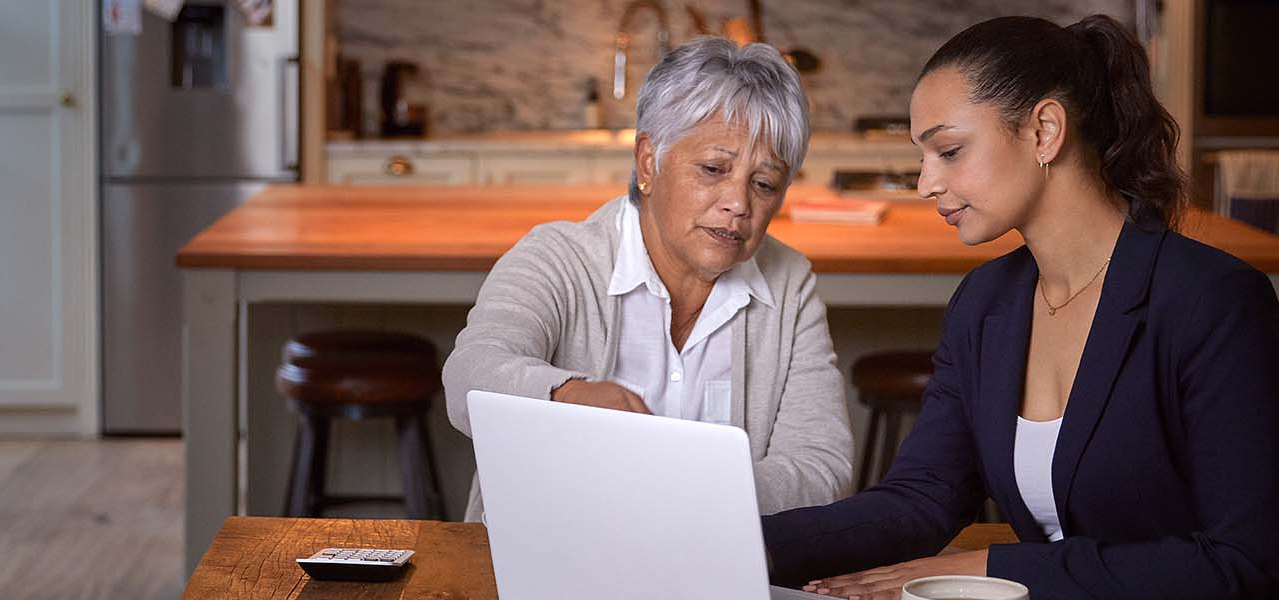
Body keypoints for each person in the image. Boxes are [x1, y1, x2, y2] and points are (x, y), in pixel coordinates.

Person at [763, 15, 1279, 600]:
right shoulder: (984, 303)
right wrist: (747, 544)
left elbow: (1245, 562)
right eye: (923, 157)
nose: (926, 183)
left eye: (950, 151)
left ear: (1044, 131)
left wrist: (1003, 568)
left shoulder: (1213, 301)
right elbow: (921, 498)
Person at [443, 37, 854, 523]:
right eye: (713, 169)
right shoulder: (558, 257)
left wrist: (687, 492)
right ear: (647, 163)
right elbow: (469, 373)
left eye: (763, 184)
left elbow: (824, 466)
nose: (739, 203)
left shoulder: (789, 284)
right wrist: (567, 396)